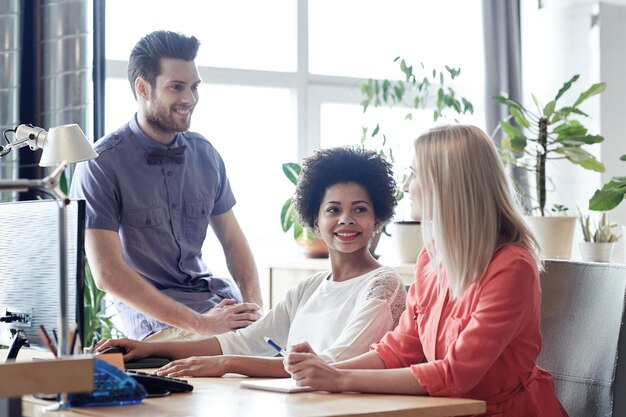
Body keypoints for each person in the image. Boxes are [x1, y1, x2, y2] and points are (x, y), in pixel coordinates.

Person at [284, 125, 568, 417]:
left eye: (415, 174)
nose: (406, 186)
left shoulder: (512, 267)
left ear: (447, 184)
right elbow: (398, 351)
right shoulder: (431, 260)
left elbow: (455, 373)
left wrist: (339, 379)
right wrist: (322, 370)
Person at [97, 146, 407, 378]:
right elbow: (244, 341)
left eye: (360, 210)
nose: (346, 220)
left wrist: (227, 364)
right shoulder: (309, 288)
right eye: (333, 210)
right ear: (314, 220)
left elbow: (330, 363)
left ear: (378, 218)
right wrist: (153, 348)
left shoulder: (384, 284)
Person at [70, 30, 262, 342]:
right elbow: (107, 274)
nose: (190, 99)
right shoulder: (100, 164)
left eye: (194, 87)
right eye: (176, 87)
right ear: (143, 88)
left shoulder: (206, 155)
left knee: (304, 350)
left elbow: (233, 241)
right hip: (159, 325)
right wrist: (201, 324)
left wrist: (255, 309)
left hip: (217, 305)